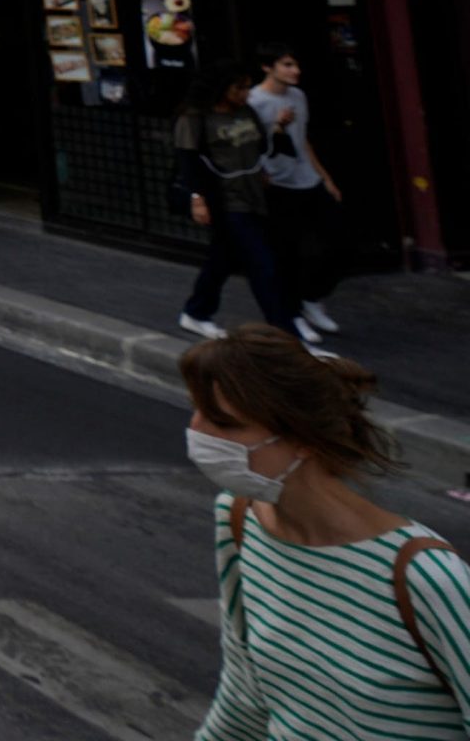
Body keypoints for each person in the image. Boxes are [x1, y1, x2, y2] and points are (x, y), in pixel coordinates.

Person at [182, 324, 470, 738]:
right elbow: (245, 694)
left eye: (224, 425)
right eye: (196, 411)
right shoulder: (240, 521)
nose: (197, 434)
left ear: (302, 439)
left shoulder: (427, 579)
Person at [176, 66, 303, 344]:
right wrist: (198, 199)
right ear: (221, 90)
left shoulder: (246, 112)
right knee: (263, 264)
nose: (245, 94)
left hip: (254, 194)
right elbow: (188, 162)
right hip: (226, 199)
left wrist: (277, 131)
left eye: (247, 87)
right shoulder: (195, 119)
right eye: (239, 89)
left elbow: (259, 145)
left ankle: (196, 312)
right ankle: (284, 332)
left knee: (223, 259)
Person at [245, 43, 343, 348]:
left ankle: (312, 297)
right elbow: (250, 146)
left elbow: (304, 140)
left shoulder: (298, 96)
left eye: (296, 65)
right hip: (278, 185)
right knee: (286, 252)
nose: (295, 71)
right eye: (287, 64)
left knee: (335, 242)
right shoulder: (254, 102)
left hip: (308, 180)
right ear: (267, 67)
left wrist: (325, 177)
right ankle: (294, 312)